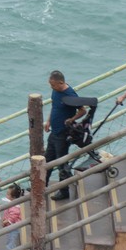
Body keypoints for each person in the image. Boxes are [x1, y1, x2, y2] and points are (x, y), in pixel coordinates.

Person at [45, 70, 86, 201]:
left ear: (61, 82)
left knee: (61, 162)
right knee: (47, 160)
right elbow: (54, 107)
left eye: (53, 85)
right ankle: (42, 185)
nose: (52, 88)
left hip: (63, 133)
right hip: (54, 131)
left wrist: (72, 119)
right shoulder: (55, 91)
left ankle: (64, 190)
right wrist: (48, 121)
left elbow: (83, 110)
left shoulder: (70, 95)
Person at [0, 184, 24, 250]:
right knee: (11, 243)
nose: (6, 195)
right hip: (12, 228)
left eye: (7, 194)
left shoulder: (15, 207)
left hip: (12, 228)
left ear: (13, 197)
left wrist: (5, 222)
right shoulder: (14, 204)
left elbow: (12, 218)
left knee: (10, 244)